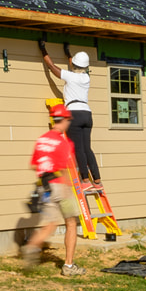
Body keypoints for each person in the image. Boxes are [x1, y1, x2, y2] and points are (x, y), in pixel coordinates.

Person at [21, 104, 84, 276]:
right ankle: (69, 266)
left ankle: (32, 246)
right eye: (68, 121)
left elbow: (34, 165)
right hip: (60, 186)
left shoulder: (41, 140)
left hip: (44, 187)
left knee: (50, 225)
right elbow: (65, 168)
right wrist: (66, 187)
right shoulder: (64, 143)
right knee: (71, 223)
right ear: (63, 120)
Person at [40, 43, 99, 190]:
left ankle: (85, 180)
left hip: (74, 113)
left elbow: (52, 67)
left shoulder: (70, 76)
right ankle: (97, 180)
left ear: (74, 64)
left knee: (78, 148)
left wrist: (43, 50)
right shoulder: (86, 77)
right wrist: (68, 53)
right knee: (87, 148)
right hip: (87, 113)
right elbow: (74, 65)